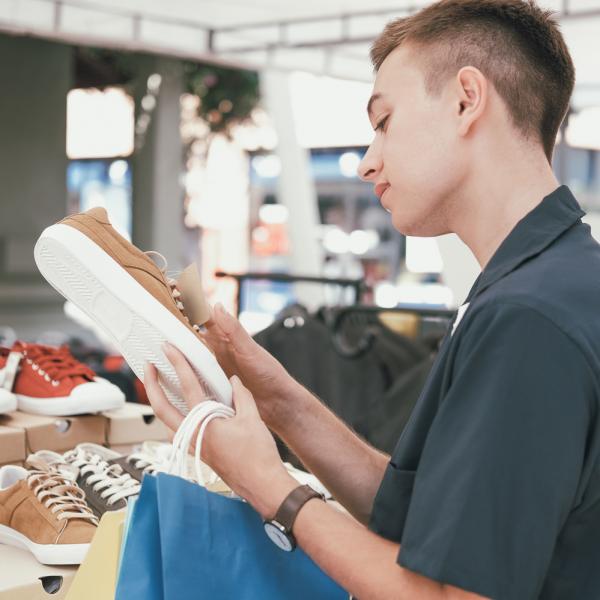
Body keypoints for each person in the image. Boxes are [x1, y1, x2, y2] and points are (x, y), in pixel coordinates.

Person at [144, 0, 600, 597]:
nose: (366, 163)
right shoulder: (555, 281)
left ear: (467, 99)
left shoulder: (527, 319)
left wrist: (268, 485)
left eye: (383, 121)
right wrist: (274, 397)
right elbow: (418, 515)